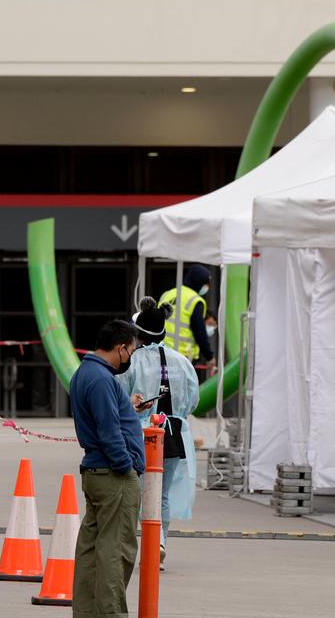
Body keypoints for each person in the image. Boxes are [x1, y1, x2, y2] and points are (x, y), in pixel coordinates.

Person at [70, 319, 145, 618]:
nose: (132, 357)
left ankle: (87, 613)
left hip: (96, 473)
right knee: (116, 552)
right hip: (113, 476)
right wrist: (126, 466)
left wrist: (126, 406)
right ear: (121, 348)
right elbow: (108, 430)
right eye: (133, 351)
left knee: (91, 551)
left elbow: (105, 418)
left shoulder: (86, 373)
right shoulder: (101, 379)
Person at [120, 297, 199, 570]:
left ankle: (145, 543)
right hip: (174, 433)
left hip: (140, 432)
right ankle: (160, 543)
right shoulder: (181, 361)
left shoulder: (132, 361)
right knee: (162, 493)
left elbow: (120, 397)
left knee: (140, 492)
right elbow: (193, 400)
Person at [158, 264, 214, 371]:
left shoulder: (167, 294)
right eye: (206, 283)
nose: (208, 287)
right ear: (199, 281)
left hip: (160, 354)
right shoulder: (195, 300)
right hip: (182, 356)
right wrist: (209, 356)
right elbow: (199, 332)